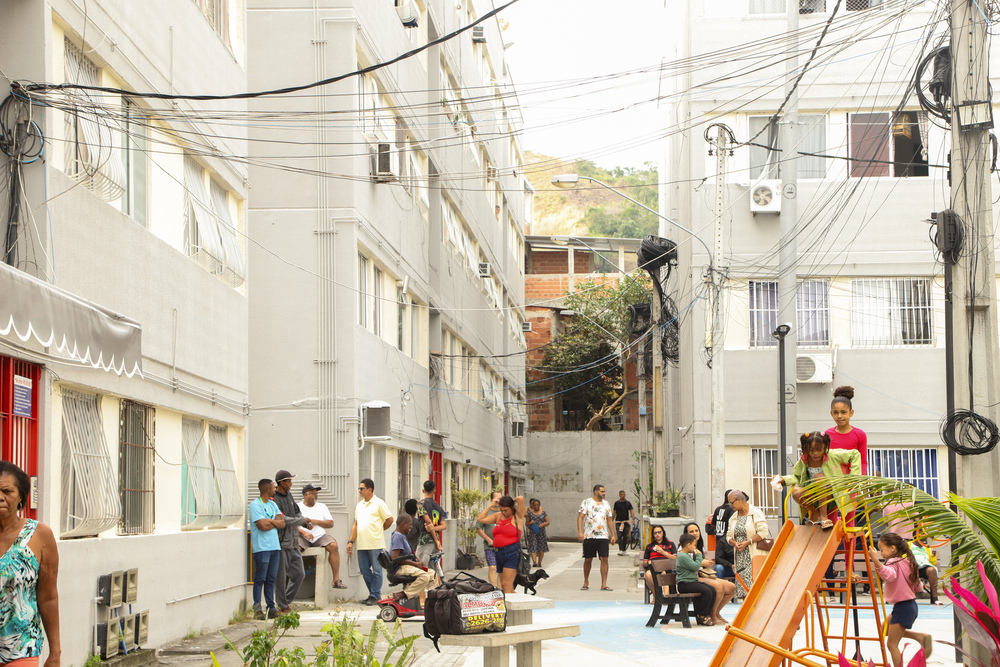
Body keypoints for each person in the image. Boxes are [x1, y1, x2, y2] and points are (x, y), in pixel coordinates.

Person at [0, 461, 60, 666]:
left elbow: (48, 596)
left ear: (20, 497)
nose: (0, 497)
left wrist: (55, 653)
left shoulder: (39, 535)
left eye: (7, 491)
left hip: (21, 647)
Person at [774, 431, 861, 529]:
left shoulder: (832, 455)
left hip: (830, 495)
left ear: (825, 447)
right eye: (811, 450)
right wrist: (784, 479)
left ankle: (823, 516)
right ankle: (816, 512)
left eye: (819, 450)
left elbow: (855, 454)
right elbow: (797, 476)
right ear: (807, 449)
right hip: (814, 496)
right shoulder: (804, 460)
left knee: (819, 476)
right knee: (795, 492)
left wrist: (853, 476)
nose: (815, 453)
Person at [870, 532, 933, 666]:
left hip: (903, 607)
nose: (881, 553)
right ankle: (919, 636)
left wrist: (875, 560)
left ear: (892, 549)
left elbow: (889, 575)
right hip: (909, 606)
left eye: (882, 550)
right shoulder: (908, 562)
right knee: (884, 630)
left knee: (891, 644)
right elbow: (919, 587)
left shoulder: (893, 562)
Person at [347, 478, 394, 605]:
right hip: (362, 543)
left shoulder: (379, 503)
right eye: (359, 488)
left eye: (362, 488)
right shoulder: (359, 505)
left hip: (375, 543)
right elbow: (356, 524)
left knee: (377, 570)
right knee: (364, 569)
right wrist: (350, 541)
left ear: (370, 490)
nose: (359, 491)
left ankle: (373, 595)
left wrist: (381, 529)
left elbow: (390, 519)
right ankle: (374, 594)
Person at [272, 470, 312, 613]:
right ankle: (283, 606)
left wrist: (303, 521)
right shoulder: (274, 499)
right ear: (282, 483)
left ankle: (284, 603)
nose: (291, 483)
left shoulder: (289, 495)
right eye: (289, 481)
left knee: (299, 574)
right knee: (280, 578)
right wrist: (301, 521)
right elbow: (282, 520)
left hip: (294, 542)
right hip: (281, 543)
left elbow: (297, 513)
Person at [682, 522, 735, 624]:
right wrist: (702, 562)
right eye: (691, 531)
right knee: (719, 586)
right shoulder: (684, 547)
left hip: (702, 574)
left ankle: (716, 612)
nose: (695, 533)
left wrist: (706, 563)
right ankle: (713, 614)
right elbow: (688, 564)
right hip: (691, 578)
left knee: (731, 587)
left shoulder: (700, 546)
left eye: (696, 530)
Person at [296, 483, 347, 590]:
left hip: (319, 537)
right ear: (305, 495)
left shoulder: (321, 506)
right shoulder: (298, 507)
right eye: (313, 493)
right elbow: (293, 525)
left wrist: (316, 521)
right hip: (303, 537)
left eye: (316, 493)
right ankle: (292, 579)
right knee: (295, 549)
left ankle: (336, 580)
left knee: (333, 545)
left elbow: (330, 523)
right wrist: (304, 533)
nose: (316, 495)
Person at [250, 478, 285, 620]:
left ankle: (271, 606)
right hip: (261, 547)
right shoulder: (255, 505)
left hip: (274, 546)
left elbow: (282, 523)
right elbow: (262, 526)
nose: (275, 489)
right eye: (273, 487)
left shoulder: (273, 504)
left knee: (271, 578)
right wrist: (274, 522)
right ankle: (257, 607)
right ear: (267, 490)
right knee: (260, 577)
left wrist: (269, 520)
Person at [476, 495, 526, 593]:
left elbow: (520, 499)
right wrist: (491, 505)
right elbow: (480, 519)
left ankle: (507, 607)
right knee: (507, 586)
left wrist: (511, 501)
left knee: (505, 585)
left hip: (511, 553)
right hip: (498, 553)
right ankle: (516, 605)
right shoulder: (498, 516)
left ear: (511, 508)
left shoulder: (518, 517)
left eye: (506, 510)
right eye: (501, 509)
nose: (503, 512)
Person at [726, 489, 769, 602]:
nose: (730, 506)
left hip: (753, 554)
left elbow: (763, 532)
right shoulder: (733, 517)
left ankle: (756, 611)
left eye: (731, 502)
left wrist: (747, 542)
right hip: (740, 556)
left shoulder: (755, 512)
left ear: (739, 500)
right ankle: (748, 611)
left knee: (755, 585)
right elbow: (728, 536)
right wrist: (734, 542)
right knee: (744, 587)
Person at [389, 514, 434, 609]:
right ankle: (402, 594)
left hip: (407, 566)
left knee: (431, 573)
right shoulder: (397, 536)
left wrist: (419, 561)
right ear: (403, 524)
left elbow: (410, 553)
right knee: (424, 576)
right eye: (410, 524)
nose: (412, 527)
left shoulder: (402, 536)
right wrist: (415, 564)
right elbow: (394, 557)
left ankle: (433, 601)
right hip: (400, 568)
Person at [577, 484, 616, 591]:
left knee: (604, 559)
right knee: (588, 559)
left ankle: (604, 583)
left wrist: (613, 534)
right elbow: (580, 517)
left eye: (604, 491)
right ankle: (586, 581)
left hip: (603, 536)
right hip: (589, 536)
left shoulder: (606, 504)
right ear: (595, 492)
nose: (604, 493)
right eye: (602, 491)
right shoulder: (587, 502)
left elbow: (609, 520)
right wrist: (580, 532)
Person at [676, 533, 718, 626]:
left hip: (691, 582)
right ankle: (702, 615)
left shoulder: (686, 555)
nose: (695, 547)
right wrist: (699, 556)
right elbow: (695, 567)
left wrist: (695, 556)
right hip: (685, 584)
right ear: (688, 545)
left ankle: (705, 614)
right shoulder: (682, 556)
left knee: (712, 590)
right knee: (706, 591)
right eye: (694, 545)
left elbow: (693, 565)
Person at [827, 386, 868, 475]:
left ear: (851, 413)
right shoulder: (827, 435)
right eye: (836, 412)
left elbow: (863, 462)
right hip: (833, 484)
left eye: (843, 412)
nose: (839, 416)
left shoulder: (860, 434)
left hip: (853, 484)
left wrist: (857, 480)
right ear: (831, 414)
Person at [414, 480, 446, 584]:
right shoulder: (438, 506)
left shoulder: (420, 504)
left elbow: (428, 522)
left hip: (425, 541)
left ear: (423, 490)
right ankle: (436, 591)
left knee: (421, 568)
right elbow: (443, 526)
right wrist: (436, 538)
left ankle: (423, 595)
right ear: (434, 491)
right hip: (435, 543)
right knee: (434, 569)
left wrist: (434, 536)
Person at [707, 490, 736, 580]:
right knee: (719, 565)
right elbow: (718, 558)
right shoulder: (732, 510)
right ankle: (720, 587)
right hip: (725, 539)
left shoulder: (718, 509)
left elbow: (713, 524)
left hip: (719, 537)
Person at [476, 491, 503, 586]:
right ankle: (493, 588)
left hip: (502, 546)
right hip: (490, 546)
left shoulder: (504, 511)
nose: (498, 501)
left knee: (501, 569)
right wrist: (488, 539)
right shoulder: (486, 512)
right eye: (497, 499)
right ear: (491, 500)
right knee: (492, 567)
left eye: (500, 499)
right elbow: (478, 528)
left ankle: (499, 590)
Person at [641, 525, 676, 595]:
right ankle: (656, 595)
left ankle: (666, 596)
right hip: (653, 568)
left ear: (663, 533)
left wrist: (663, 552)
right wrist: (648, 562)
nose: (657, 534)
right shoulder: (650, 546)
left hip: (666, 568)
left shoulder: (670, 544)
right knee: (648, 574)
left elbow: (675, 558)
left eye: (659, 532)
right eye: (655, 533)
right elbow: (645, 562)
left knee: (664, 573)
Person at [910, 541, 942, 605]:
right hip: (911, 568)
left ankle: (934, 598)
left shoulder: (928, 547)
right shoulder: (908, 545)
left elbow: (932, 563)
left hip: (924, 568)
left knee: (932, 570)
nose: (924, 539)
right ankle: (911, 598)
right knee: (913, 568)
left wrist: (933, 556)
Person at [524, 498, 550, 567]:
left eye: (537, 505)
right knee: (533, 546)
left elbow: (548, 522)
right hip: (533, 532)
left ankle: (540, 562)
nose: (536, 506)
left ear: (539, 505)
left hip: (541, 532)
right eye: (534, 505)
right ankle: (534, 562)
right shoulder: (529, 514)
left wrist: (543, 524)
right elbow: (526, 523)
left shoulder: (543, 513)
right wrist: (530, 523)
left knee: (541, 547)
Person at [612, 490, 635, 555]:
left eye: (624, 494)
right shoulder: (616, 503)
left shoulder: (628, 503)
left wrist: (633, 519)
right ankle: (620, 549)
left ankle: (624, 550)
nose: (623, 495)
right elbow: (614, 512)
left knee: (625, 536)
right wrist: (611, 520)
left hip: (626, 522)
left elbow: (631, 511)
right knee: (619, 535)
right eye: (621, 494)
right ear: (619, 495)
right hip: (618, 522)